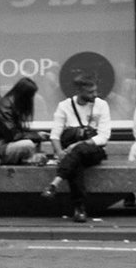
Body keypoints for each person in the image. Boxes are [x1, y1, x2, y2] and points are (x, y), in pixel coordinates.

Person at [48, 72, 113, 224]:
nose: (95, 95)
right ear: (78, 91)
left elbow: (104, 137)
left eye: (95, 91)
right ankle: (79, 208)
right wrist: (60, 154)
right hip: (72, 154)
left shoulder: (101, 105)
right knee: (76, 162)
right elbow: (55, 135)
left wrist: (75, 145)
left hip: (94, 150)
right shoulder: (64, 106)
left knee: (78, 152)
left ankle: (56, 183)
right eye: (90, 92)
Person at [0, 75, 41, 166]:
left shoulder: (9, 105)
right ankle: (30, 159)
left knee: (30, 144)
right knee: (28, 145)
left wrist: (36, 135)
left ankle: (30, 159)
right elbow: (14, 135)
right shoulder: (5, 109)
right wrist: (36, 136)